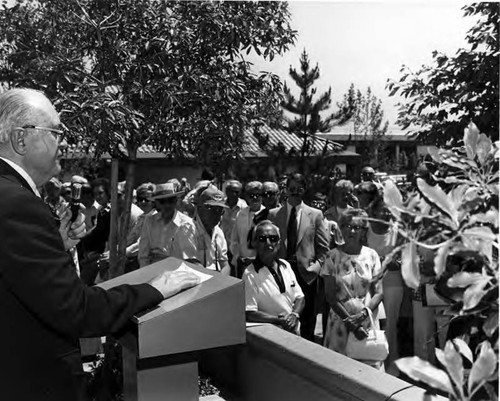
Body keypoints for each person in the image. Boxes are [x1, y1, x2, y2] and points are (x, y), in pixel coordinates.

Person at [0, 88, 200, 401]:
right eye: (55, 132)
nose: (63, 141)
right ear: (20, 139)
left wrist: (58, 244)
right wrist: (156, 288)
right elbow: (76, 310)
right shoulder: (17, 205)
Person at [268, 173, 330, 341]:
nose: (295, 192)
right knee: (283, 317)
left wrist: (315, 269)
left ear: (304, 190)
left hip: (306, 275)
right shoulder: (273, 214)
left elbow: (324, 248)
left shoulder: (315, 214)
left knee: (308, 322)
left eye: (299, 189)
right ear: (286, 190)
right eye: (291, 189)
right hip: (281, 273)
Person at [321, 209, 384, 369]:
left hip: (366, 321)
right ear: (341, 228)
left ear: (363, 230)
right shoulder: (332, 256)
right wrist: (351, 323)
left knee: (368, 371)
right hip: (341, 322)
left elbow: (378, 292)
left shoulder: (372, 255)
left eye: (357, 227)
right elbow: (330, 297)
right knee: (338, 371)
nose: (352, 230)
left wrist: (363, 315)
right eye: (347, 226)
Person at [243, 220, 305, 334]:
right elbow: (249, 313)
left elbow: (300, 297)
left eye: (273, 238)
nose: (268, 243)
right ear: (254, 243)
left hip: (294, 331)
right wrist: (279, 320)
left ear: (279, 242)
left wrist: (294, 315)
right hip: (271, 336)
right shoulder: (250, 274)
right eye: (262, 239)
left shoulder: (285, 265)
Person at [367, 196, 402, 375]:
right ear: (374, 210)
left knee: (390, 324)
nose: (387, 212)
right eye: (383, 208)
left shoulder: (397, 229)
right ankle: (372, 361)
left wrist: (397, 262)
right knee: (371, 321)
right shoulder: (367, 228)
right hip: (371, 283)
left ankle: (392, 365)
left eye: (390, 208)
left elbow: (403, 255)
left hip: (393, 281)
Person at [138, 182, 196, 268]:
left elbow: (189, 259)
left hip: (177, 273)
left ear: (176, 201)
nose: (167, 205)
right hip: (152, 272)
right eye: (162, 202)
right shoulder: (149, 221)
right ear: (156, 203)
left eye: (170, 201)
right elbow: (143, 255)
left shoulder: (186, 224)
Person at [192, 185, 231, 275]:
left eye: (220, 210)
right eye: (211, 209)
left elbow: (225, 264)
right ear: (199, 208)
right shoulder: (188, 230)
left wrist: (222, 282)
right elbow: (192, 264)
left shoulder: (218, 232)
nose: (216, 214)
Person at [230, 181, 264, 276]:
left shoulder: (267, 214)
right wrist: (238, 257)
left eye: (258, 194)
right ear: (247, 196)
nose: (255, 198)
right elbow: (234, 240)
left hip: (261, 266)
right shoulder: (240, 214)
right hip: (242, 264)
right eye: (251, 195)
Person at [220, 179, 247, 248]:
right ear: (226, 191)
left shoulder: (244, 207)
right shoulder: (220, 205)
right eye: (231, 191)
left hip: (237, 248)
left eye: (237, 192)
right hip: (221, 245)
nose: (234, 194)